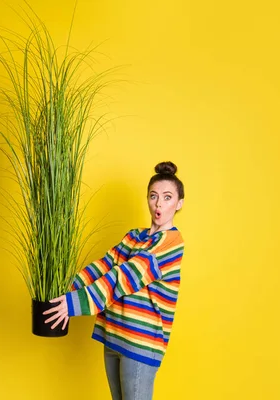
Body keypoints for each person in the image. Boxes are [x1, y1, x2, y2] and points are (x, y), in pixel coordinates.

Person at [44, 161, 186, 400]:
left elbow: (125, 276)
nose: (159, 203)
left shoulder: (171, 243)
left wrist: (75, 303)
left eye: (167, 197)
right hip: (113, 335)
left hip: (140, 343)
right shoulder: (133, 237)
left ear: (179, 203)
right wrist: (62, 290)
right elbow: (103, 266)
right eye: (153, 196)